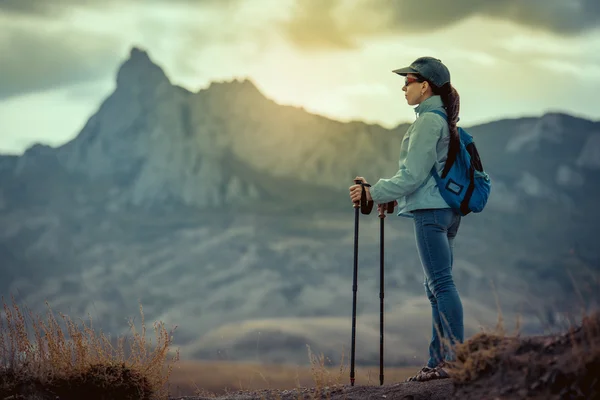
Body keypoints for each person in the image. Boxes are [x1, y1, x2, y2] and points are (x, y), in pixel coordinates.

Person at [348, 56, 464, 382]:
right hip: (446, 211)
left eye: (408, 80)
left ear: (425, 86)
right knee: (436, 286)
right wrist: (390, 196)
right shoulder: (442, 120)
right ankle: (438, 360)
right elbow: (426, 175)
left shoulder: (428, 122)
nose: (403, 86)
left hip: (431, 214)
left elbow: (412, 175)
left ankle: (454, 361)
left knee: (440, 284)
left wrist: (376, 193)